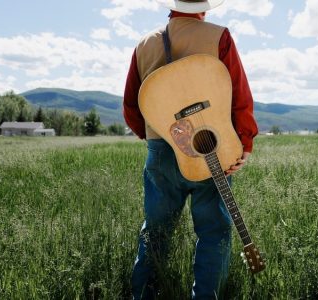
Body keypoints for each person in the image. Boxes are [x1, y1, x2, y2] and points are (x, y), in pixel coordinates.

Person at [122, 0, 258, 298]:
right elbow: (238, 95)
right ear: (204, 7)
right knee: (214, 231)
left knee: (156, 232)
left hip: (161, 148)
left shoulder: (144, 44)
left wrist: (155, 136)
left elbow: (132, 105)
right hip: (211, 148)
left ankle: (143, 294)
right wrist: (243, 144)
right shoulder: (218, 36)